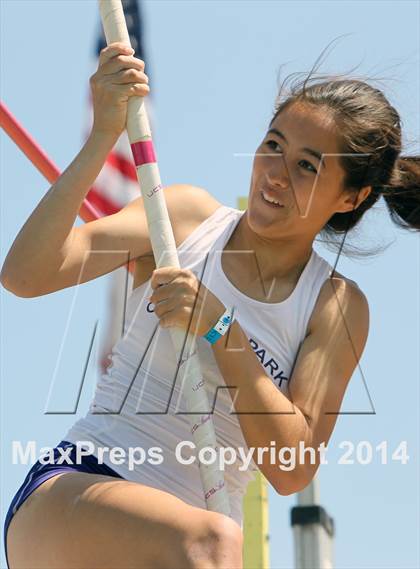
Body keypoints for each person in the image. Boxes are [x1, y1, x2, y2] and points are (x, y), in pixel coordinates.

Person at [1, 41, 419, 569]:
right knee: (214, 545)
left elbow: (290, 467)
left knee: (213, 544)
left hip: (194, 545)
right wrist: (104, 134)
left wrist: (221, 329)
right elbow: (23, 275)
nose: (275, 174)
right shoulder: (185, 220)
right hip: (80, 487)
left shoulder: (334, 307)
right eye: (273, 145)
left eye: (307, 167)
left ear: (350, 198)